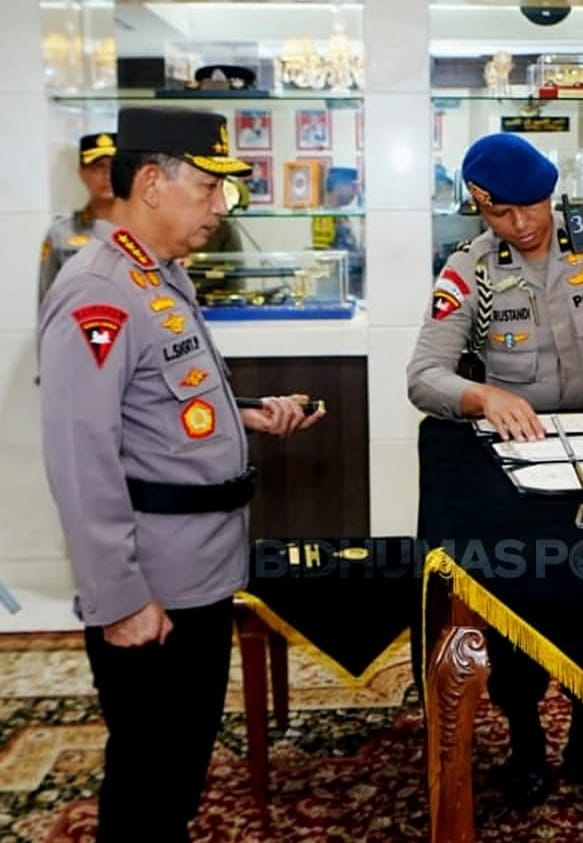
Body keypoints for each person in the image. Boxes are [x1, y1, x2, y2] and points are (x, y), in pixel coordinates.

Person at [38, 106, 326, 843]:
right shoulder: (98, 291)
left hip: (196, 571)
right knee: (147, 781)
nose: (219, 204)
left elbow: (164, 400)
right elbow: (81, 456)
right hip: (151, 585)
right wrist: (120, 596)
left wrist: (248, 413)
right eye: (207, 185)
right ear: (152, 183)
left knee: (178, 772)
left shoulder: (158, 276)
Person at [408, 132, 583, 808]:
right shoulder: (471, 267)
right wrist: (485, 396)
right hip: (518, 457)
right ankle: (525, 735)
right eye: (503, 213)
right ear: (480, 208)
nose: (523, 225)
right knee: (516, 600)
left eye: (535, 207)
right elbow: (423, 376)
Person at [39, 132, 117, 306]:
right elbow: (47, 300)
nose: (107, 175)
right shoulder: (60, 234)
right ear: (82, 173)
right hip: (77, 327)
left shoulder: (145, 230)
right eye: (98, 167)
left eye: (114, 166)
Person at [312, 166, 365, 298]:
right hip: (335, 290)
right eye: (352, 187)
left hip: (348, 287)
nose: (355, 192)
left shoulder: (339, 214)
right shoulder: (324, 217)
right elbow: (326, 258)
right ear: (339, 186)